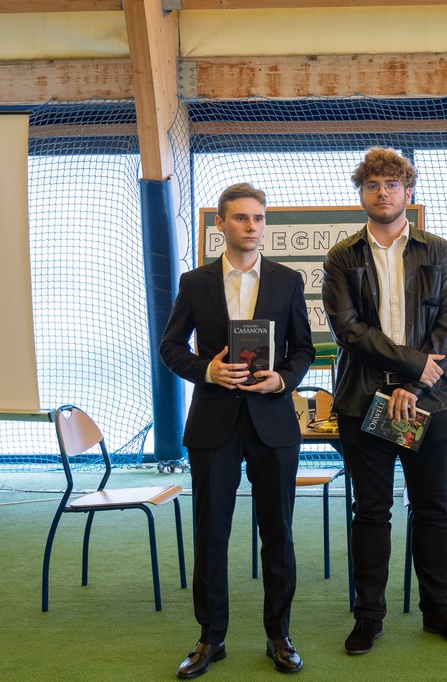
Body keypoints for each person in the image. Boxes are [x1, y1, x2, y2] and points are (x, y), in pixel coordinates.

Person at [321, 147, 447, 655]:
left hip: (430, 401)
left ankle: (438, 611)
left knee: (432, 509)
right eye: (372, 185)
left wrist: (415, 385)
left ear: (408, 192)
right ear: (361, 195)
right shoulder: (342, 256)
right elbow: (348, 330)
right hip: (362, 402)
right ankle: (368, 617)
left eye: (391, 184)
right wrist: (412, 365)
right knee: (371, 512)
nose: (382, 193)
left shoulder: (439, 250)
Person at [160, 183, 315, 677]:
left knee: (278, 534)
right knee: (211, 535)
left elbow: (303, 349)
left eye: (258, 218)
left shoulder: (288, 281)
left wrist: (282, 379)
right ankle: (211, 639)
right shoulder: (194, 282)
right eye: (242, 218)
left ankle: (279, 636)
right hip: (213, 424)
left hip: (273, 423)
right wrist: (207, 370)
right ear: (221, 224)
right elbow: (171, 347)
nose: (252, 226)